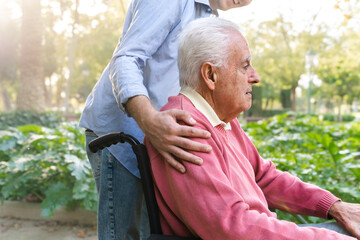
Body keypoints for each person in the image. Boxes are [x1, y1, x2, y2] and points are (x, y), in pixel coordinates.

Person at [145, 17, 360, 240]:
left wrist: (335, 207)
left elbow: (265, 177)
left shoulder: (221, 119)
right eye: (245, 66)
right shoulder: (184, 129)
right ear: (210, 75)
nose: (255, 77)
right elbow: (231, 227)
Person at [79, 0, 253, 239]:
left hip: (159, 140)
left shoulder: (208, 17)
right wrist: (149, 120)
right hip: (121, 135)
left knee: (153, 234)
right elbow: (126, 58)